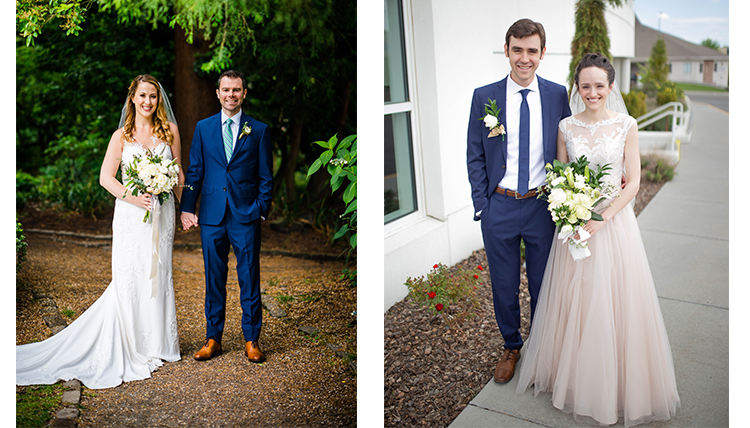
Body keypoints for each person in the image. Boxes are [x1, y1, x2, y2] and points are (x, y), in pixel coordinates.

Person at [515, 53, 680, 427]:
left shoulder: (626, 125)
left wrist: (603, 218)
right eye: (585, 86)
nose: (592, 92)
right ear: (578, 87)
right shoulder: (566, 127)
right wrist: (568, 213)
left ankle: (616, 384)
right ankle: (573, 377)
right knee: (576, 300)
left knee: (615, 301)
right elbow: (558, 176)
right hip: (574, 226)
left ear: (610, 87)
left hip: (613, 226)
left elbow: (634, 181)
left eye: (599, 86)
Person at [16, 74, 183, 389]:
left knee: (159, 273)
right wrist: (133, 196)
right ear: (132, 97)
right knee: (131, 275)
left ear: (159, 100)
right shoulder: (121, 136)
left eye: (154, 96)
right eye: (143, 95)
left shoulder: (170, 131)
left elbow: (178, 173)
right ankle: (133, 343)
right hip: (131, 215)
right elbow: (106, 178)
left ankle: (160, 344)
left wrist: (185, 206)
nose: (148, 102)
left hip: (162, 215)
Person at [466, 18, 571, 384]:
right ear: (507, 50)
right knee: (504, 284)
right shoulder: (485, 96)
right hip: (501, 206)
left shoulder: (558, 95)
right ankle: (512, 345)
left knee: (545, 282)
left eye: (531, 50)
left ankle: (543, 348)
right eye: (517, 50)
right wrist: (483, 205)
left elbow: (570, 147)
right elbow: (475, 153)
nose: (524, 58)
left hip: (543, 206)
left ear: (543, 53)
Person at [180, 70, 273, 363]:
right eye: (226, 90)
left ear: (244, 93)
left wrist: (261, 208)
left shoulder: (258, 130)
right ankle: (213, 338)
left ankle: (251, 339)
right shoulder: (204, 128)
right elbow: (195, 170)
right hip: (211, 215)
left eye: (236, 90)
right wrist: (186, 207)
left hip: (245, 215)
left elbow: (266, 176)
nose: (231, 95)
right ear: (217, 93)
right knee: (213, 278)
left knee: (249, 277)